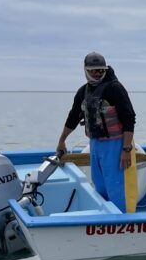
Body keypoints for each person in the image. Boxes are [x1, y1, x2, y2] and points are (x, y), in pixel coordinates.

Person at [56, 52, 138, 212]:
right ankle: (106, 218)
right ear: (85, 70)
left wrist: (126, 149)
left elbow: (129, 118)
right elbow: (73, 116)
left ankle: (124, 220)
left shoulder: (115, 88)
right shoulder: (83, 92)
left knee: (118, 187)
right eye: (93, 70)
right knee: (100, 184)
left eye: (101, 70)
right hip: (95, 144)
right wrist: (62, 140)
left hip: (117, 144)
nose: (97, 73)